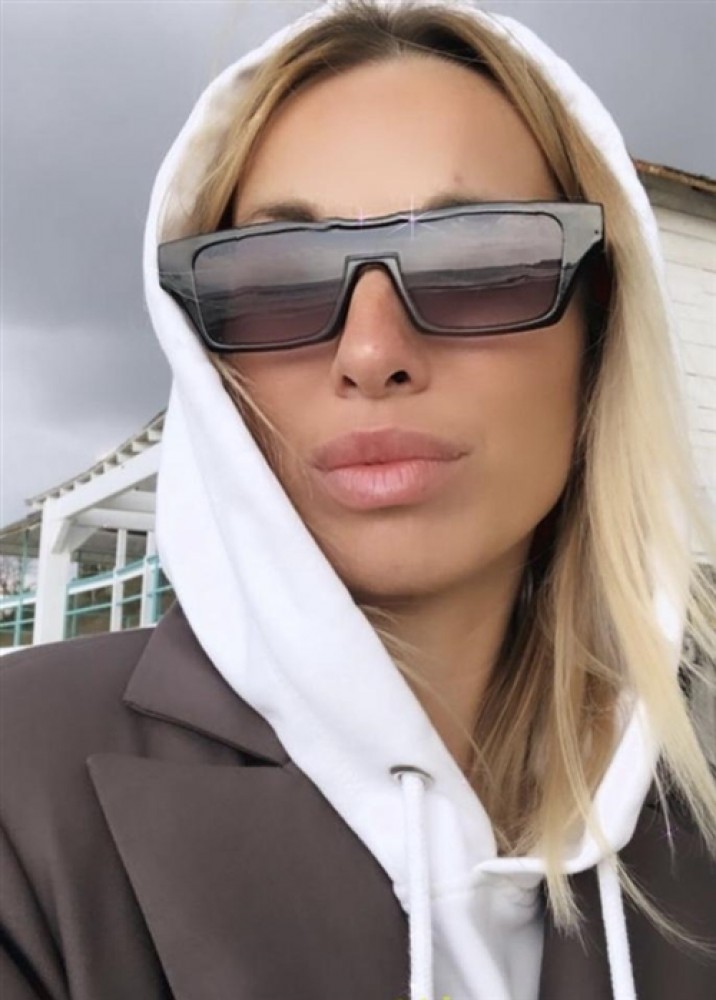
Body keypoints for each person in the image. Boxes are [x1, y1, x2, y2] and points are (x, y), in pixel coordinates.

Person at [1, 0, 715, 997]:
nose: (372, 352)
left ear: (598, 328)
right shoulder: (18, 783)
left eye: (476, 261)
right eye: (274, 278)